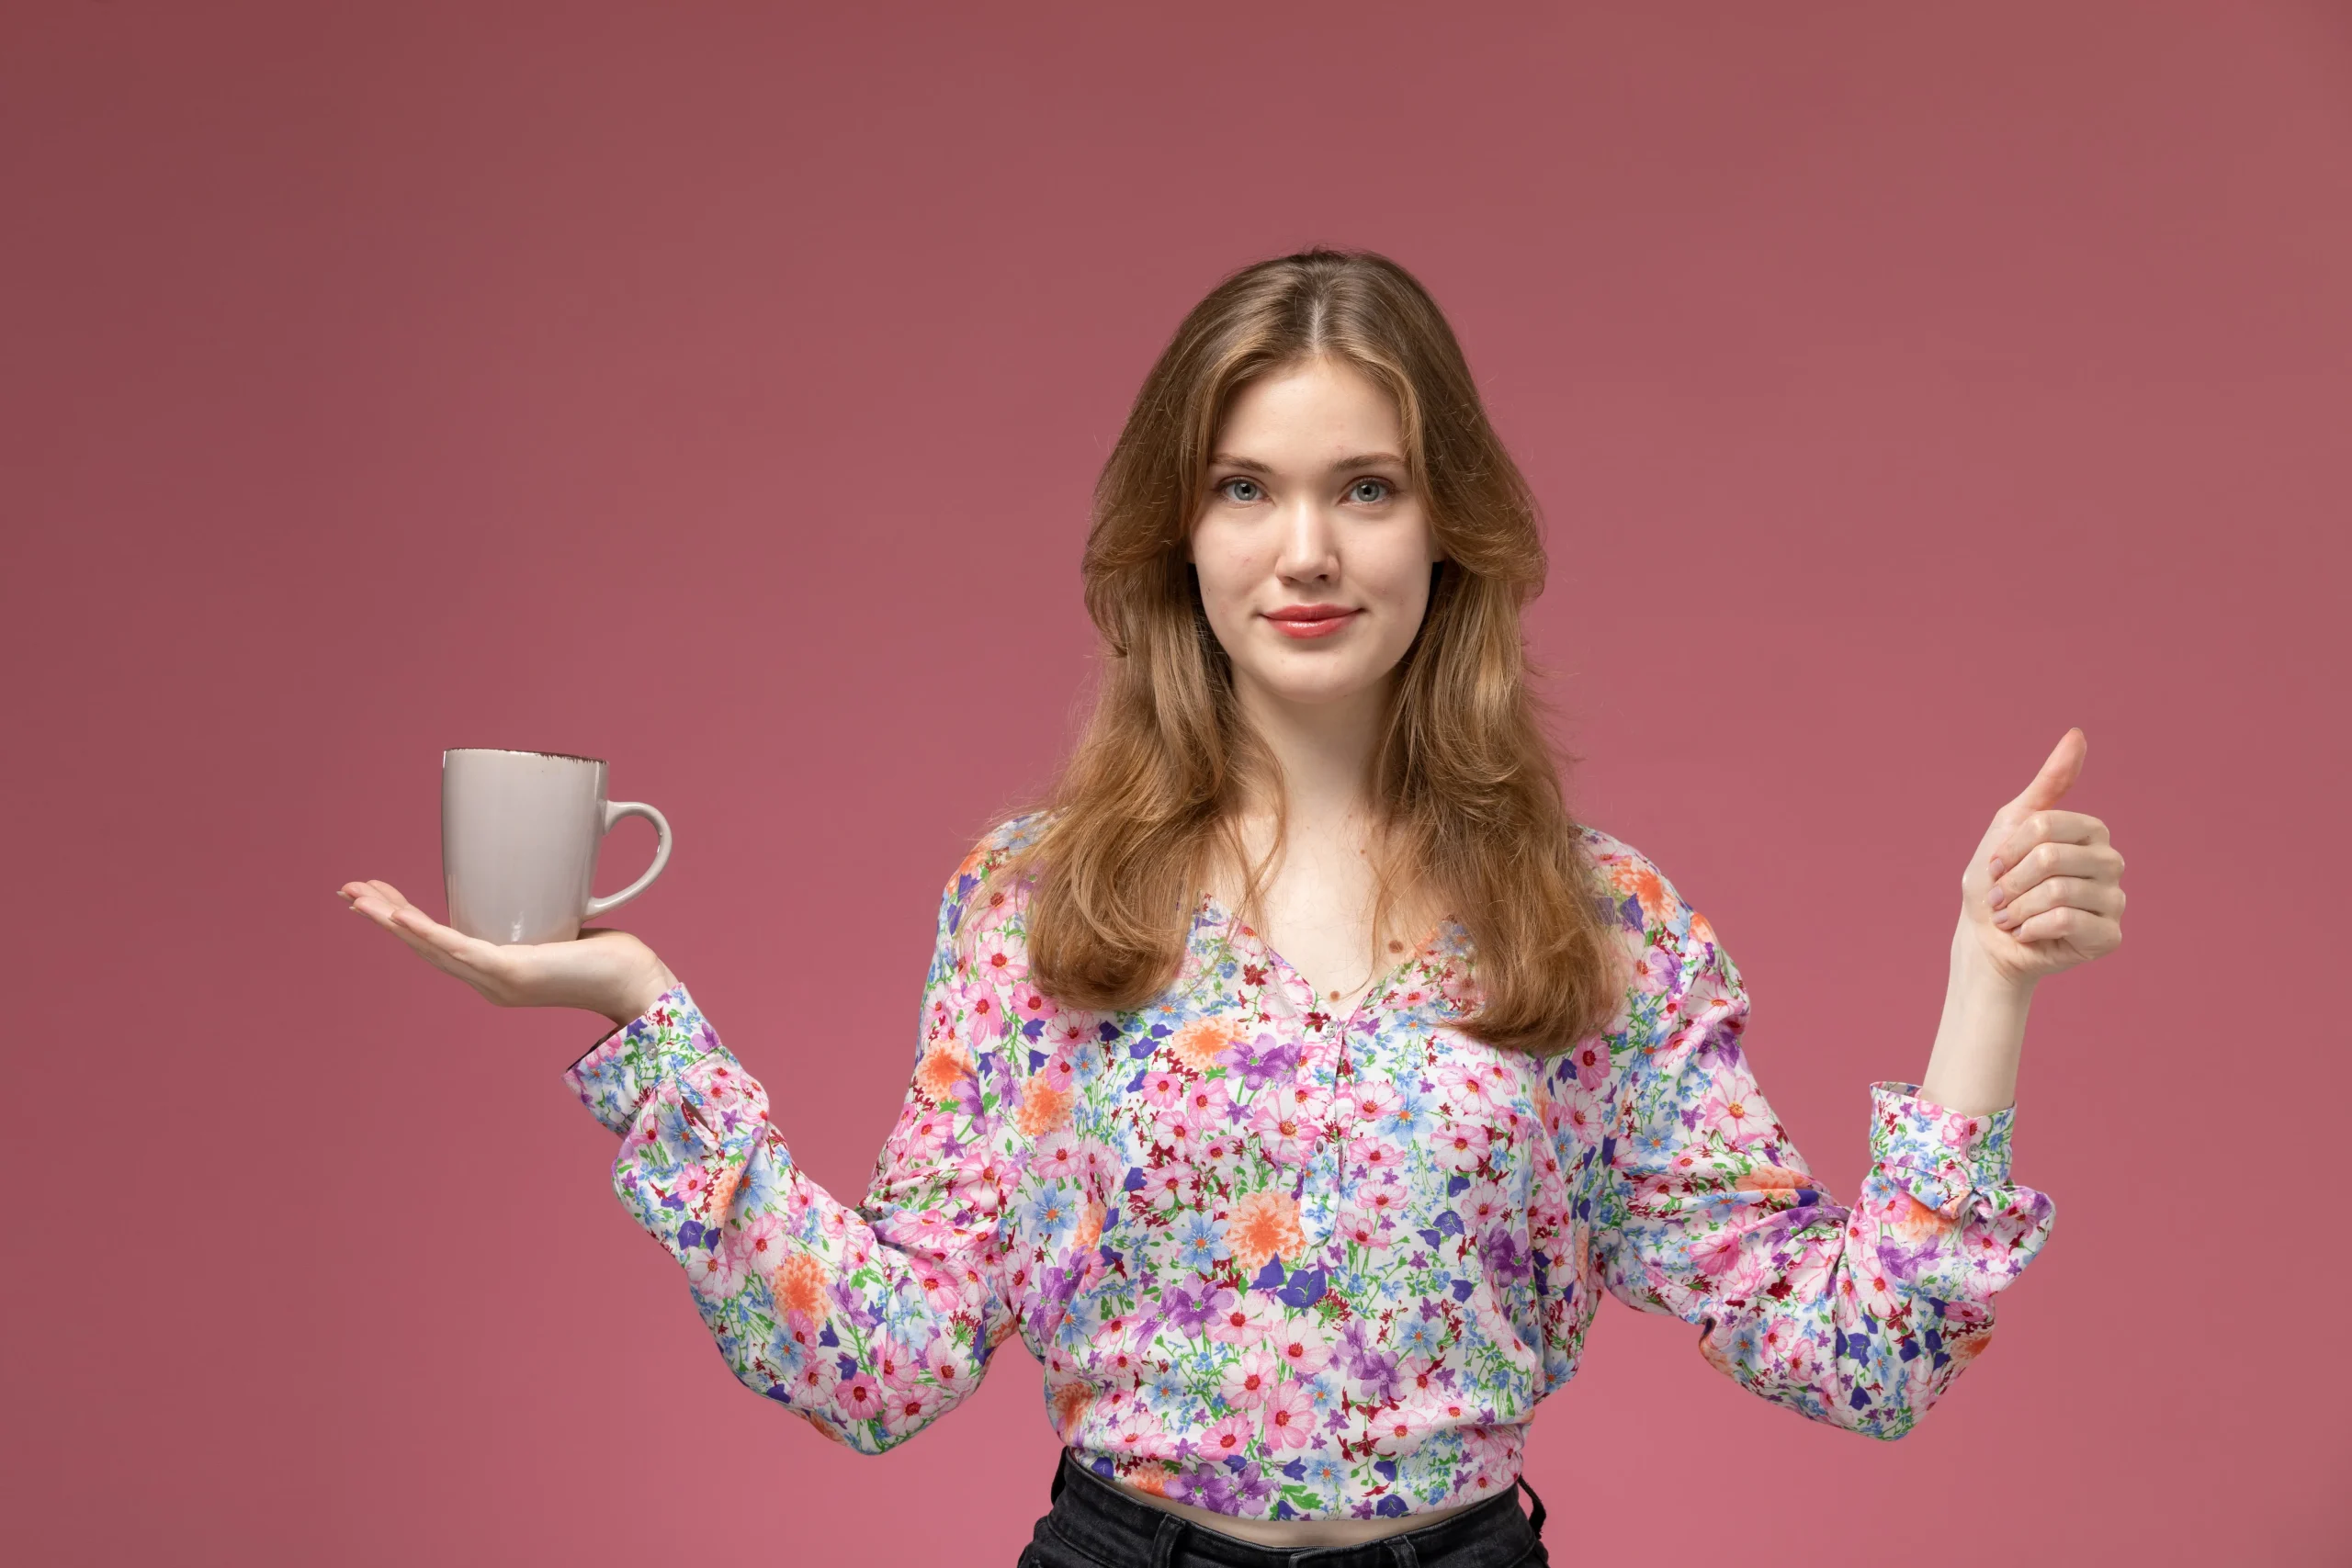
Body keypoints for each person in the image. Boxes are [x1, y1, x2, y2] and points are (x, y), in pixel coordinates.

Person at [340, 248, 2123, 1567]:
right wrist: (636, 1014)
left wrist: (1989, 981)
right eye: (1244, 488)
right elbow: (872, 1362)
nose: (1305, 552)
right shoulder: (1040, 901)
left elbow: (1861, 1359)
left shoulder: (1599, 930)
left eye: (1365, 488)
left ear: (1447, 536)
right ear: (1175, 540)